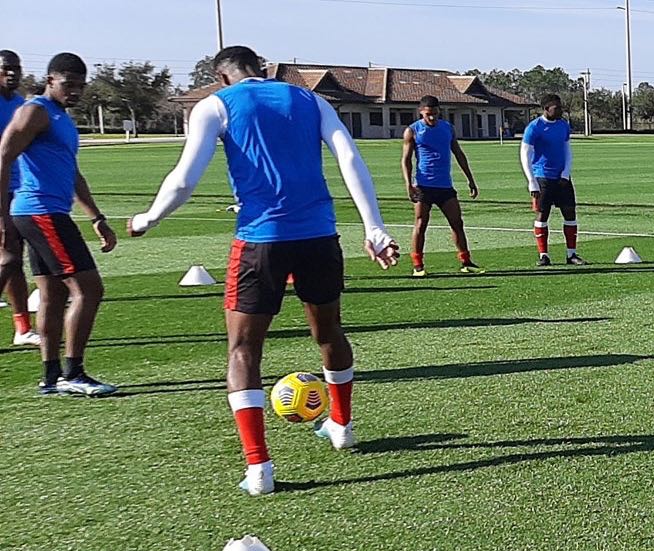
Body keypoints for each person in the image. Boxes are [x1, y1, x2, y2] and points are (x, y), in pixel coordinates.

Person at [128, 45, 401, 495]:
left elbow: (184, 179)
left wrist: (147, 219)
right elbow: (349, 158)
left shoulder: (214, 105)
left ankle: (259, 468)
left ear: (222, 77)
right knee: (329, 333)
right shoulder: (310, 99)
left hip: (261, 241)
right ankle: (342, 426)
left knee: (243, 349)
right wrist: (373, 228)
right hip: (319, 236)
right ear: (265, 70)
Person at [0, 53, 119, 396]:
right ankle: (74, 373)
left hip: (47, 212)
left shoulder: (60, 118)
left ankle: (51, 377)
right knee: (89, 290)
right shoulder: (34, 111)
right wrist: (3, 218)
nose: (76, 91)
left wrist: (96, 217)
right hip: (40, 212)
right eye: (69, 84)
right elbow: (4, 156)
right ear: (50, 80)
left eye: (81, 85)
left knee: (52, 295)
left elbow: (72, 174)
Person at [401, 94, 479, 276]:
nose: (432, 117)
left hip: (445, 186)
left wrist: (470, 179)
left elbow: (458, 153)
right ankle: (418, 265)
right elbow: (406, 160)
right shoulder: (412, 131)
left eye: (435, 113)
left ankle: (466, 261)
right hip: (423, 185)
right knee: (421, 224)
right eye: (428, 114)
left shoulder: (447, 128)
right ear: (421, 112)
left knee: (457, 223)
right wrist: (408, 185)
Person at [522, 95, 584, 266]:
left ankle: (571, 254)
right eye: (556, 107)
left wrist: (565, 173)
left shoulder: (563, 126)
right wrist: (531, 181)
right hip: (542, 176)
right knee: (543, 214)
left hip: (562, 177)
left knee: (570, 212)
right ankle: (544, 255)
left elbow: (567, 150)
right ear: (546, 108)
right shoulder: (534, 127)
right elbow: (525, 154)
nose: (560, 110)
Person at [0, 50, 35, 347]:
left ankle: (22, 327)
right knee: (8, 258)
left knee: (13, 261)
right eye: (5, 69)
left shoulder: (20, 104)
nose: (12, 73)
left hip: (18, 190)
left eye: (16, 68)